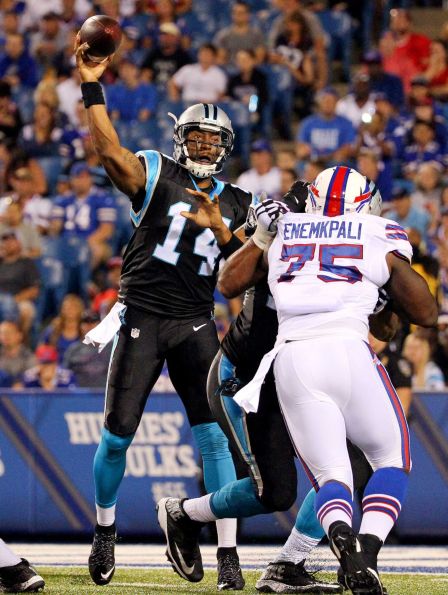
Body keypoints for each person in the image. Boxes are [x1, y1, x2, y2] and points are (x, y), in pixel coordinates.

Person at [157, 166, 437, 595]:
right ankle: (184, 514)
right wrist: (261, 234)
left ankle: (290, 563)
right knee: (274, 492)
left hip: (293, 363)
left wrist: (378, 291)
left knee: (350, 467)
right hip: (248, 373)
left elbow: (385, 327)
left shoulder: (294, 229)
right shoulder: (281, 222)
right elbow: (231, 280)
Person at [75, 34, 252, 590]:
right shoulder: (155, 170)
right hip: (141, 315)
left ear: (224, 146)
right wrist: (90, 84)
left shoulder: (239, 203)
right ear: (180, 140)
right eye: (194, 137)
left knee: (216, 440)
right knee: (118, 433)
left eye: (211, 139)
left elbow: (237, 280)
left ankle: (227, 553)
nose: (201, 146)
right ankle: (105, 530)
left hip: (196, 321)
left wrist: (224, 228)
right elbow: (108, 151)